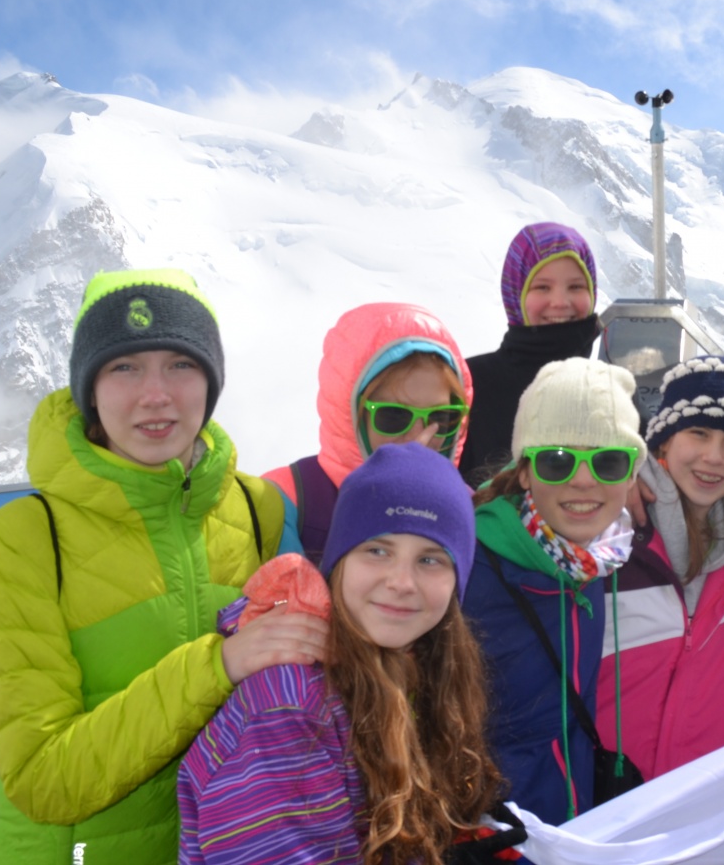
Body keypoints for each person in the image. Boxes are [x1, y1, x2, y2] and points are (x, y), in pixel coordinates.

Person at [0, 269, 325, 863]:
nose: (156, 395)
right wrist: (218, 665)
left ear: (211, 382)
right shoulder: (21, 541)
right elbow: (43, 779)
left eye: (180, 364)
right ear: (89, 390)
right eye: (124, 367)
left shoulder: (258, 509)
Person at [178, 442, 522, 865]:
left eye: (430, 560)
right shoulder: (291, 704)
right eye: (378, 551)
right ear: (339, 561)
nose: (401, 582)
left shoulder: (421, 668)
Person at [463, 357, 646, 822]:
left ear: (631, 476)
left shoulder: (597, 560)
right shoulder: (465, 570)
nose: (583, 479)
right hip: (491, 836)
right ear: (525, 471)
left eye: (608, 461)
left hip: (569, 826)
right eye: (556, 460)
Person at [596, 355, 724, 779]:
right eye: (699, 433)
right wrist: (609, 469)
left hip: (689, 792)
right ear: (663, 442)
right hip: (600, 788)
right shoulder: (611, 527)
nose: (714, 457)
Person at [263, 302, 473, 567]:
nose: (419, 436)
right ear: (350, 416)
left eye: (441, 418)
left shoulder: (468, 508)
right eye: (394, 416)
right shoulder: (282, 502)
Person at [458, 222, 600, 483]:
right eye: (542, 287)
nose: (560, 302)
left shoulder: (611, 389)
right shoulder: (468, 385)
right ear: (515, 293)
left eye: (576, 287)